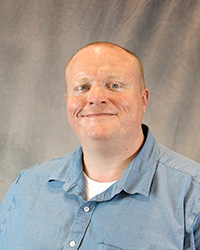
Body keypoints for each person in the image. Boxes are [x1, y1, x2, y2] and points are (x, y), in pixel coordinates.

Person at [0, 42, 200, 250]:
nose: (95, 98)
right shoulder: (26, 188)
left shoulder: (192, 195)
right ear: (68, 102)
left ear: (143, 99)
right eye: (82, 87)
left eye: (114, 85)